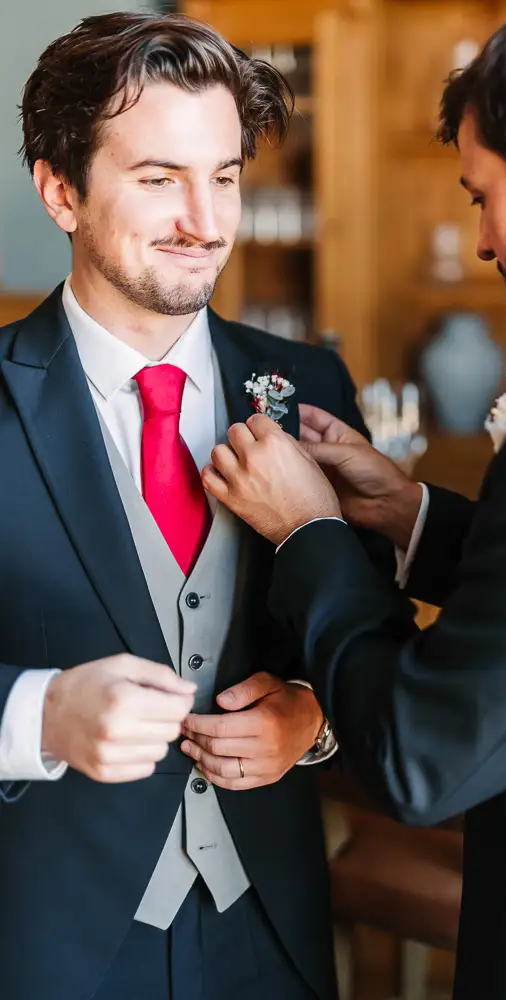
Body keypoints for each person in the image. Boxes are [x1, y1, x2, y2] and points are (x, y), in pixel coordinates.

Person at [202, 4, 506, 999]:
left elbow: (419, 759)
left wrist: (312, 532)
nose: (487, 241)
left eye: (483, 196)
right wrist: (410, 515)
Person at [0, 12, 389, 1000]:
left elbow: (367, 631)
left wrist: (315, 720)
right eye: (158, 177)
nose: (205, 221)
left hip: (272, 928)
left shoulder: (307, 387)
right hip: (50, 941)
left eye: (222, 177)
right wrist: (36, 714)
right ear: (60, 191)